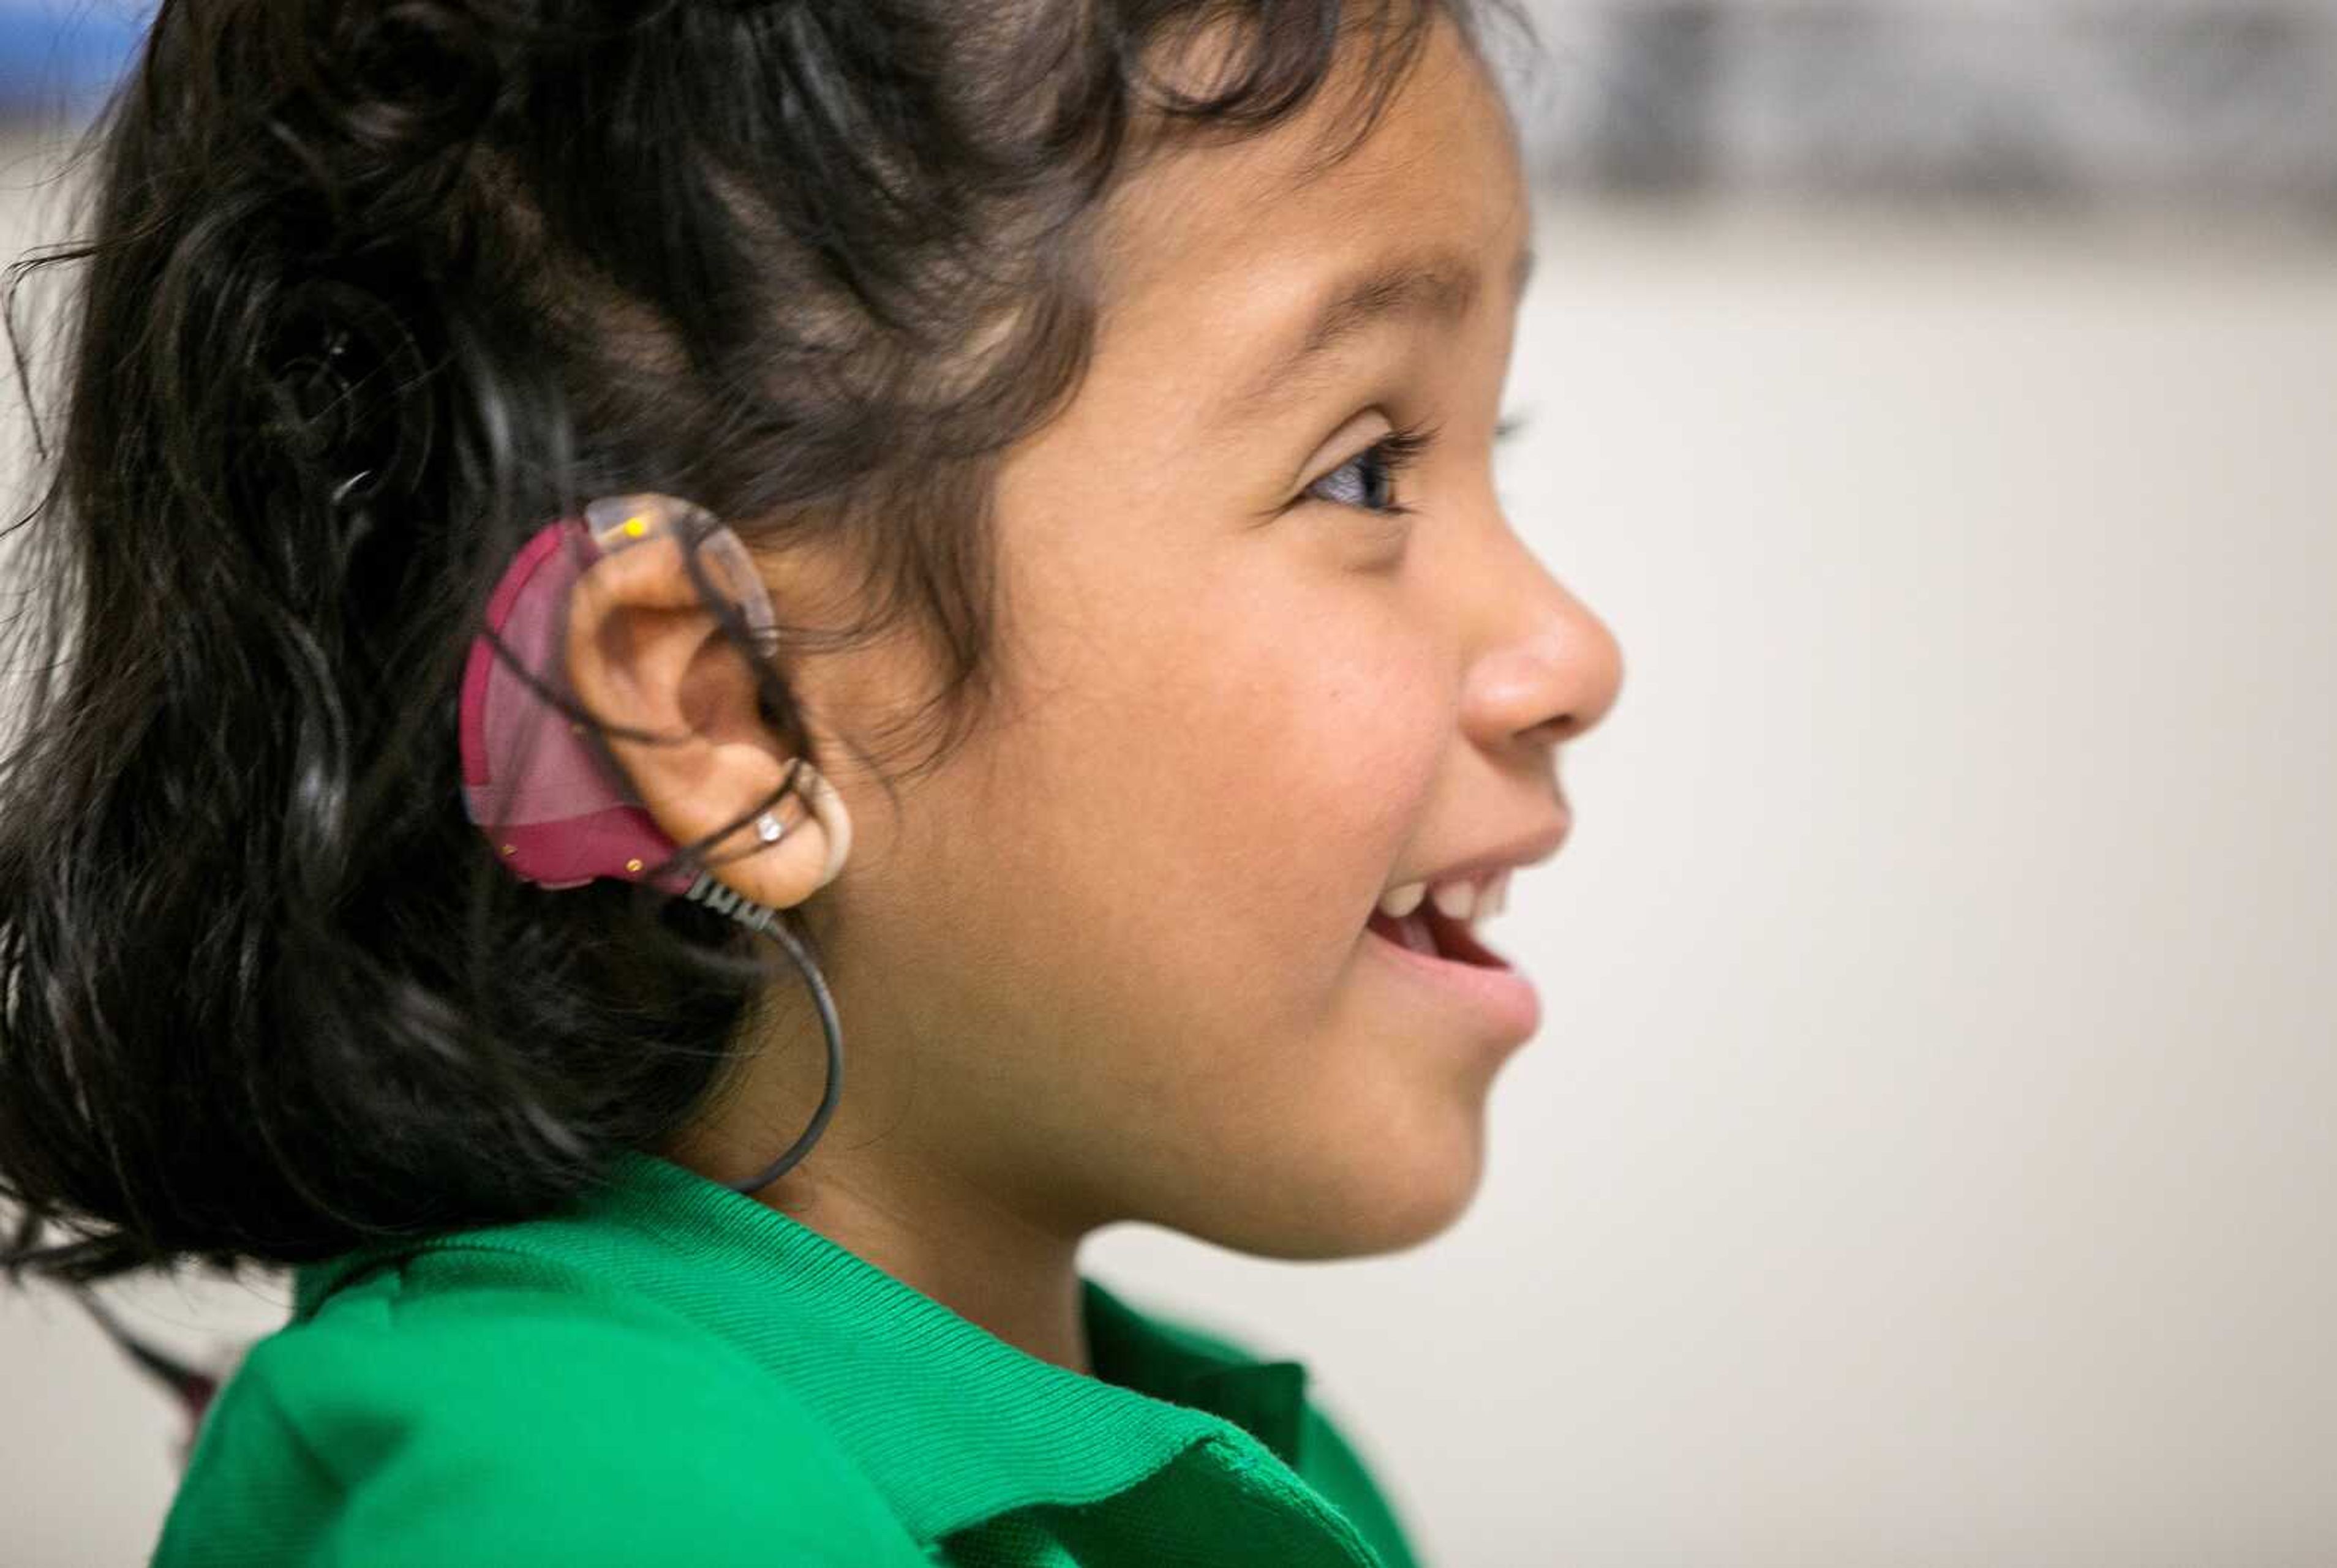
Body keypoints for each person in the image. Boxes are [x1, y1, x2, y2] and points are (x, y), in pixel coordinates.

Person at [0, 0, 1624, 1561]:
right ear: (728, 718)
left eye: (1498, 438)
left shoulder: (1247, 1467)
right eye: (1363, 470)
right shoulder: (585, 1506)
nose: (1574, 651)